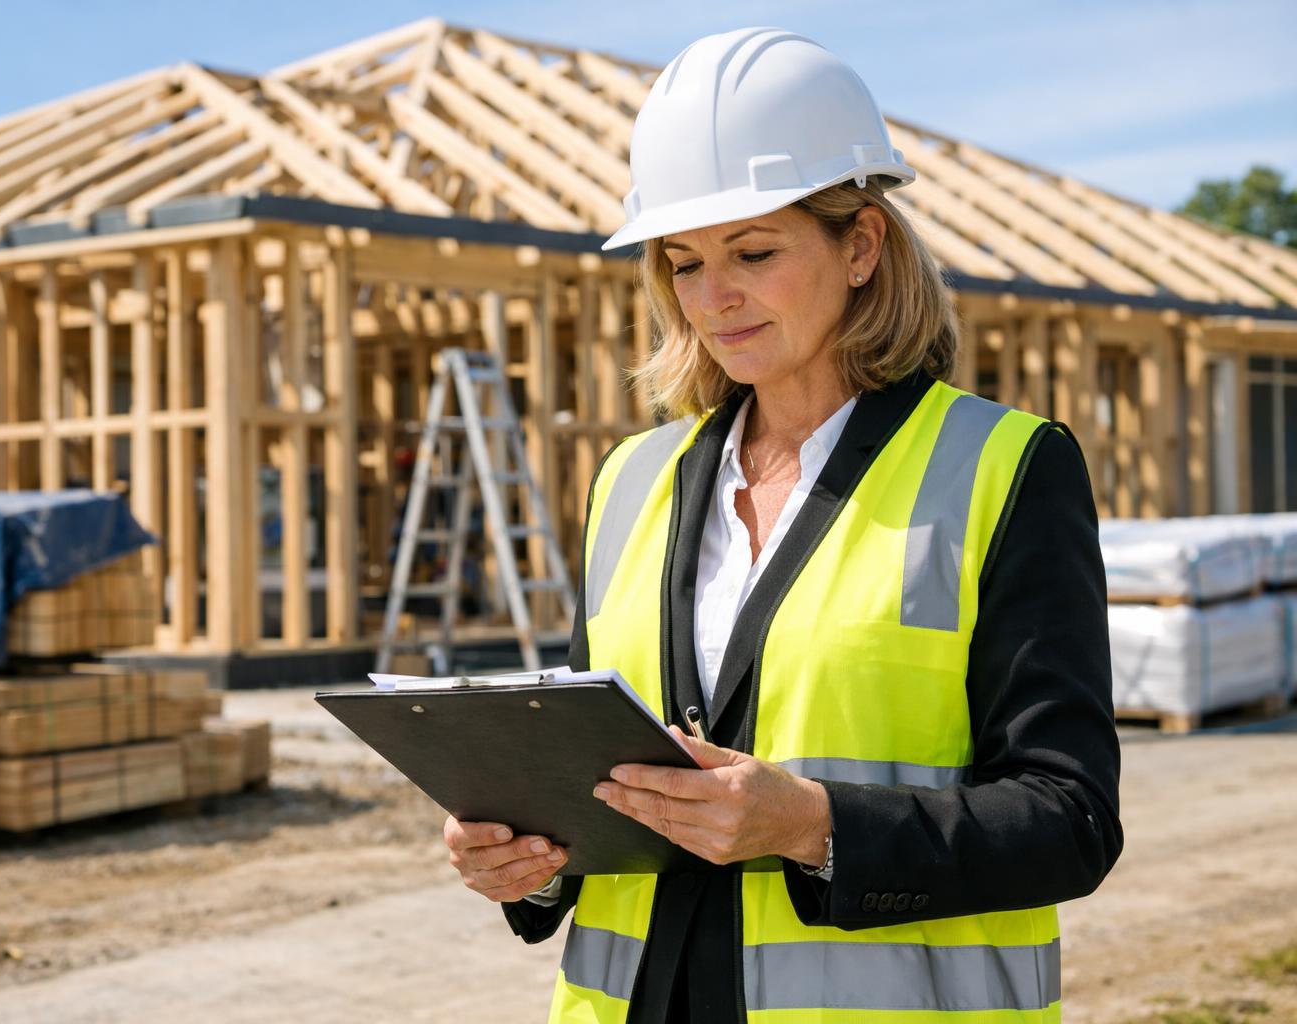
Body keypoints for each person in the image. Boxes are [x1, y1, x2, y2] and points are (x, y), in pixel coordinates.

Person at [442, 27, 1122, 1023]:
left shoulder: (1003, 468)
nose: (714, 298)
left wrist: (813, 825)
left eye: (755, 251)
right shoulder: (634, 481)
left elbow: (1070, 819)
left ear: (861, 245)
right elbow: (594, 780)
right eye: (682, 263)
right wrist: (529, 861)